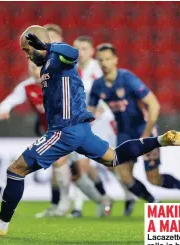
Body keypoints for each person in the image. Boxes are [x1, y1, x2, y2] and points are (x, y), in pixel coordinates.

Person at [0, 25, 180, 236]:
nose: (26, 55)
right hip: (80, 130)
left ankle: (0, 226)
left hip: (65, 130)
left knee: (15, 170)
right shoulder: (47, 67)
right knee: (114, 157)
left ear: (39, 44)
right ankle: (161, 140)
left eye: (27, 49)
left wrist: (48, 46)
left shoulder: (58, 58)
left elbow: (73, 53)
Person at [0, 24, 109, 218]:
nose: (32, 64)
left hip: (77, 125)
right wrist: (3, 109)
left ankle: (77, 204)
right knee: (69, 169)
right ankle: (86, 201)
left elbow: (88, 88)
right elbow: (11, 99)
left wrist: (99, 107)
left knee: (79, 169)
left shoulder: (63, 67)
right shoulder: (31, 84)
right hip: (58, 130)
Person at [88, 43, 180, 204]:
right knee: (124, 176)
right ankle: (153, 201)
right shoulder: (98, 86)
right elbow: (90, 112)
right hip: (124, 133)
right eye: (100, 59)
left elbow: (153, 104)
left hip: (143, 130)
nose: (104, 63)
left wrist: (146, 133)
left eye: (108, 59)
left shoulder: (127, 78)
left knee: (153, 178)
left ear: (115, 60)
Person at [70, 36, 135, 218]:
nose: (79, 52)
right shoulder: (71, 70)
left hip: (103, 123)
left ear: (91, 51)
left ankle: (129, 194)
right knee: (81, 166)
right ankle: (81, 205)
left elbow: (111, 92)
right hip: (83, 123)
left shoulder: (99, 68)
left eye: (83, 48)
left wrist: (101, 110)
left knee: (110, 164)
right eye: (76, 48)